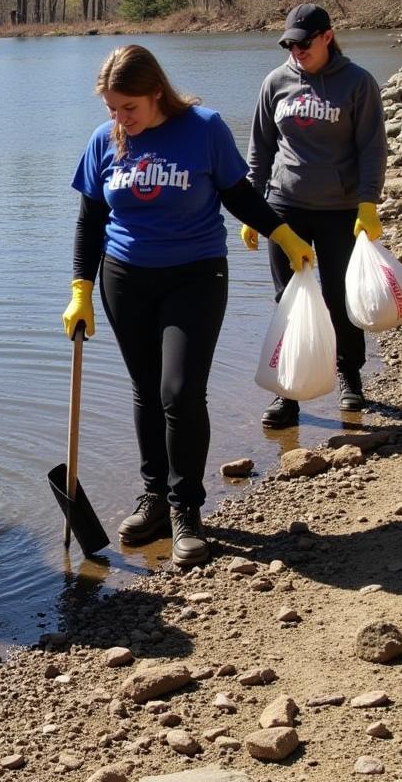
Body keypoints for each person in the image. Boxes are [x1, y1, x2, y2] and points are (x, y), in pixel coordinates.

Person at [62, 45, 313, 564]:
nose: (120, 119)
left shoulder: (203, 128)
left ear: (157, 92)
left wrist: (283, 235)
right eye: (111, 109)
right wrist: (80, 289)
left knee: (180, 390)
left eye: (128, 108)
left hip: (195, 274)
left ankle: (186, 510)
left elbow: (237, 194)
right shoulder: (103, 140)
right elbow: (90, 220)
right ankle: (153, 495)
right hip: (124, 278)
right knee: (145, 389)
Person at [245, 3, 388, 428]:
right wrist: (253, 209)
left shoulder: (358, 83)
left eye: (303, 42)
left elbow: (372, 148)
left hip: (340, 209)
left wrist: (368, 202)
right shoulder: (275, 82)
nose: (296, 50)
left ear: (327, 36)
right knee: (287, 301)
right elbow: (260, 151)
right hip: (284, 208)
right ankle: (287, 393)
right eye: (289, 43)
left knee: (341, 297)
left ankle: (349, 376)